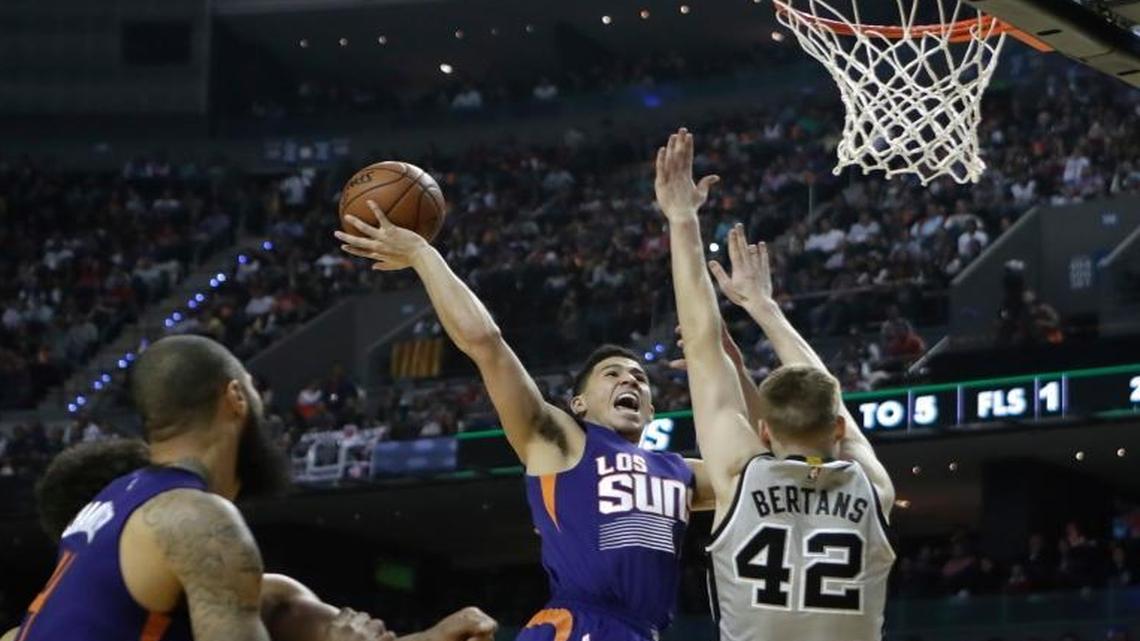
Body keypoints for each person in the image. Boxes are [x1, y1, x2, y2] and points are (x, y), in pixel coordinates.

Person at [335, 202, 719, 641]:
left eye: (639, 378)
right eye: (611, 373)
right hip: (579, 625)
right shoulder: (560, 441)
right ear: (577, 404)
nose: (629, 379)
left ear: (651, 409)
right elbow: (487, 344)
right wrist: (423, 255)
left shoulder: (680, 472)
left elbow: (762, 475)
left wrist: (729, 364)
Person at [7, 336, 494, 641]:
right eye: (257, 394)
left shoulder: (115, 508)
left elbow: (278, 610)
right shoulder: (195, 519)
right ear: (235, 398)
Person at [655, 128, 895, 641]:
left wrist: (682, 219)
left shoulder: (741, 475)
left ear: (763, 432)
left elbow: (700, 342)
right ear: (837, 426)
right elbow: (827, 390)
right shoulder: (873, 489)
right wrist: (765, 310)